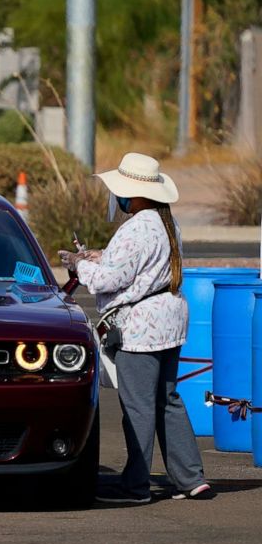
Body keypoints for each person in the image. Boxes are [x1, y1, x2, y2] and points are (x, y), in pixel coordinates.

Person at [59, 152, 211, 504]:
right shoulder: (166, 223)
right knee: (167, 400)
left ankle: (136, 486)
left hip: (141, 328)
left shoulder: (136, 227)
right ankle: (191, 477)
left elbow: (109, 279)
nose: (119, 198)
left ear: (136, 194)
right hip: (169, 322)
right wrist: (100, 256)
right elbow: (140, 266)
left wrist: (80, 265)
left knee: (139, 407)